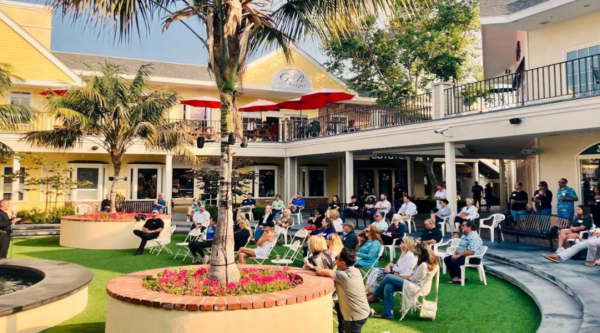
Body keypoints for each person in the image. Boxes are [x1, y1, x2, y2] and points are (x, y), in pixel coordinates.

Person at [369, 243, 439, 319]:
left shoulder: (424, 265)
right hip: (413, 284)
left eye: (417, 252)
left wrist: (399, 276)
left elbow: (414, 280)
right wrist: (399, 276)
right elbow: (412, 276)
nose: (416, 254)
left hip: (416, 287)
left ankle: (375, 296)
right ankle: (388, 313)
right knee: (388, 286)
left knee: (388, 276)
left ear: (423, 253)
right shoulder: (428, 262)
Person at [307, 248, 370, 333]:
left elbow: (321, 272)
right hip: (363, 310)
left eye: (336, 258)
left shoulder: (344, 276)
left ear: (343, 263)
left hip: (355, 317)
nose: (334, 259)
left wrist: (312, 266)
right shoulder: (356, 270)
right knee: (338, 305)